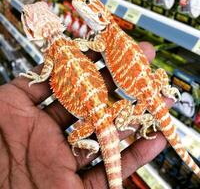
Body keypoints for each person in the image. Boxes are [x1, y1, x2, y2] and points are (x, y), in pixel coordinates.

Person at [0, 42, 173, 188]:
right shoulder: (71, 44)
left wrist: (39, 78)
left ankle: (102, 141)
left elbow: (45, 73)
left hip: (97, 118)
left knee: (73, 139)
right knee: (121, 110)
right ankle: (133, 121)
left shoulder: (55, 52)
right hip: (107, 113)